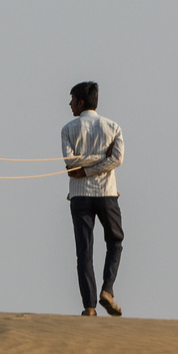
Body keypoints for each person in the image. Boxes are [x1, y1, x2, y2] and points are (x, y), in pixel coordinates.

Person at [62, 81, 124, 316]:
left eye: (72, 100)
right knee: (115, 241)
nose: (69, 105)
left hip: (80, 196)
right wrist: (101, 157)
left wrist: (85, 169)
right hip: (107, 193)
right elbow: (115, 159)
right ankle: (107, 290)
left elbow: (73, 163)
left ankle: (89, 306)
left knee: (84, 251)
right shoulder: (113, 127)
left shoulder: (68, 129)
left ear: (80, 102)